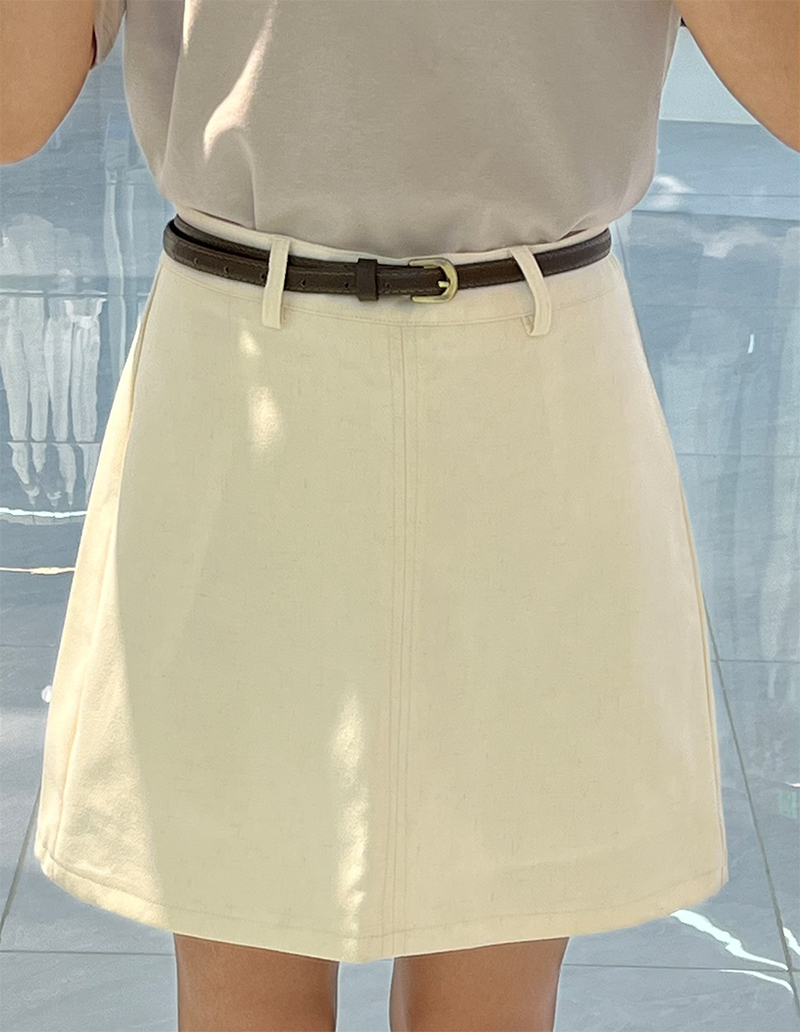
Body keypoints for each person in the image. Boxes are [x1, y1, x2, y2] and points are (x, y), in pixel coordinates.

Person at [3, 2, 797, 1029]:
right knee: (244, 955)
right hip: (245, 369)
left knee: (493, 968)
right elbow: (16, 105)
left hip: (529, 376)